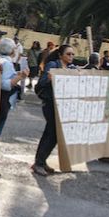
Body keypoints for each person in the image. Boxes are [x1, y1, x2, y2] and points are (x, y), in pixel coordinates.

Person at [32, 44, 77, 176]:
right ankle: (39, 163)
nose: (71, 57)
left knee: (52, 134)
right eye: (68, 54)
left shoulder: (72, 68)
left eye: (73, 54)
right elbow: (42, 82)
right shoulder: (53, 65)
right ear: (60, 55)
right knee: (52, 133)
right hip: (50, 103)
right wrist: (49, 79)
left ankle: (41, 161)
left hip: (63, 105)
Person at [0, 38, 29, 177]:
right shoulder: (6, 63)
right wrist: (20, 77)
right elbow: (5, 85)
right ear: (12, 50)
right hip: (2, 100)